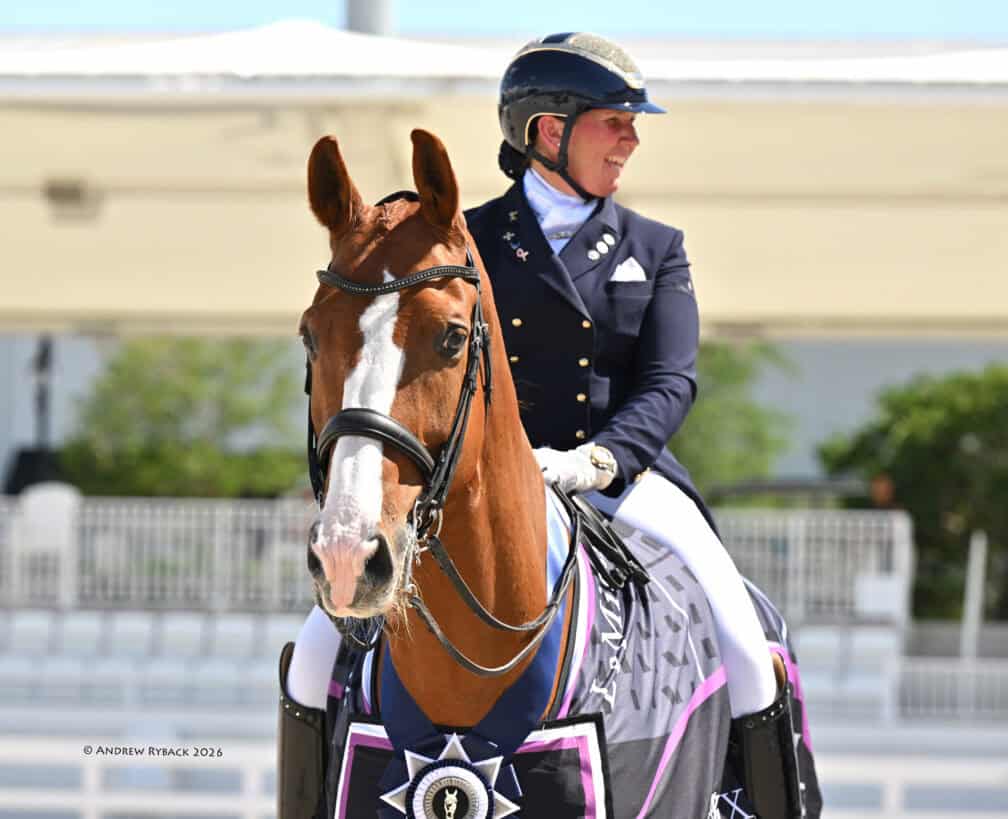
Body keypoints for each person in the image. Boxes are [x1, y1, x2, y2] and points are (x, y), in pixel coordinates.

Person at [282, 32, 804, 819]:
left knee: (739, 624)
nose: (631, 137)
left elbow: (670, 381)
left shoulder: (654, 249)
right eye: (613, 119)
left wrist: (599, 459)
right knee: (313, 652)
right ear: (546, 131)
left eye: (632, 123)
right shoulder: (463, 242)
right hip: (484, 484)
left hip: (620, 479)